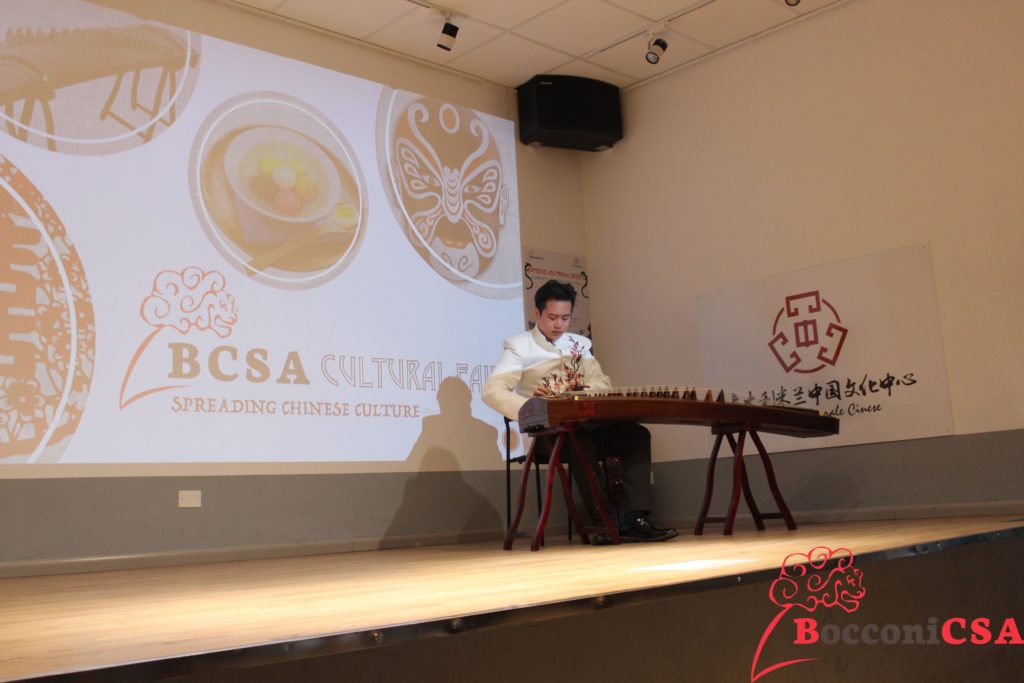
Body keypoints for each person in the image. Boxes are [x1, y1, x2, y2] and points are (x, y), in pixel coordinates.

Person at [483, 280, 677, 543]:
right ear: (537, 313)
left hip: (587, 424)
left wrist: (578, 390)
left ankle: (635, 518)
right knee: (579, 441)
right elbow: (492, 391)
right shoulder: (520, 346)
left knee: (636, 435)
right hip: (549, 433)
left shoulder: (579, 344)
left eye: (565, 318)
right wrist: (533, 408)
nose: (559, 324)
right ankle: (605, 522)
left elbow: (603, 383)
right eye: (552, 317)